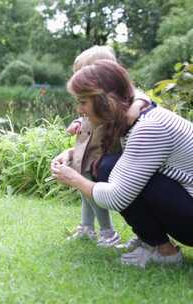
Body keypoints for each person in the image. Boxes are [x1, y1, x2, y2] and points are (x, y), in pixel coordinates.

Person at [51, 59, 193, 267]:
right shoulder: (137, 115)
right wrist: (72, 153)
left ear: (104, 100)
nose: (79, 109)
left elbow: (117, 198)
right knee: (109, 165)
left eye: (83, 101)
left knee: (109, 169)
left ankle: (165, 253)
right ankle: (153, 244)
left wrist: (74, 179)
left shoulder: (148, 128)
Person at [61, 46, 149, 247]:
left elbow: (141, 96)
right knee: (84, 190)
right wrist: (77, 122)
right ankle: (86, 227)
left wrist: (136, 107)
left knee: (90, 190)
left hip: (103, 154)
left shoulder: (117, 96)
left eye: (83, 73)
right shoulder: (94, 100)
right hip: (86, 152)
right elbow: (86, 115)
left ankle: (108, 232)